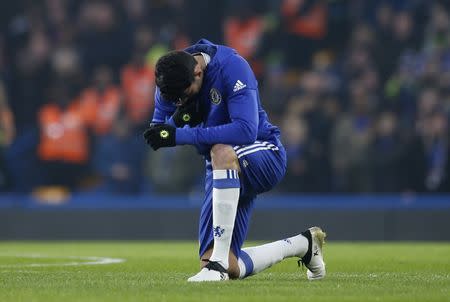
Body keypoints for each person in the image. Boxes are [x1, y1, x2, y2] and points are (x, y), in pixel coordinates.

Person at [143, 39, 326, 282]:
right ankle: (303, 244)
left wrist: (181, 133)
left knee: (220, 150)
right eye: (172, 99)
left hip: (264, 152)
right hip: (222, 170)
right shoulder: (171, 76)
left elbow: (246, 130)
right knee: (227, 265)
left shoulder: (232, 67)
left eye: (183, 96)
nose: (178, 102)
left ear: (198, 72)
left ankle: (217, 265)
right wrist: (178, 119)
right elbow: (160, 131)